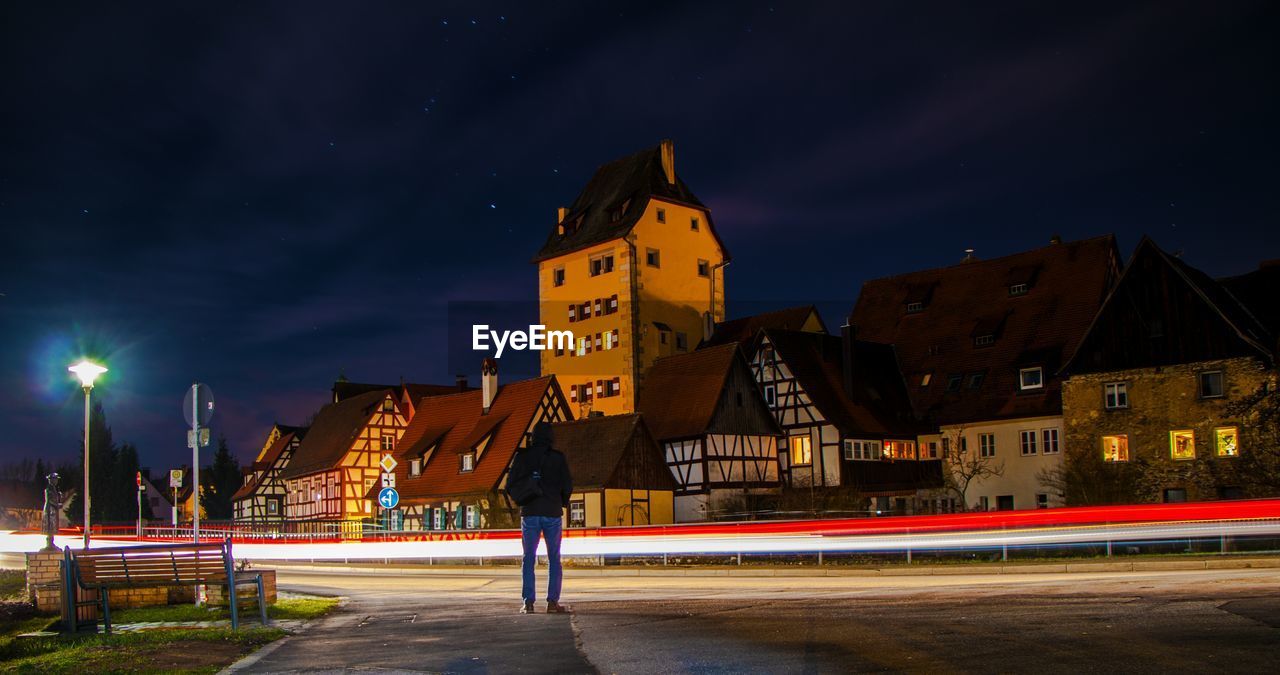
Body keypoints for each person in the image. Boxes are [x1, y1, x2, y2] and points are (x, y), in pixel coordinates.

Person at [509, 421, 573, 614]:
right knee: (554, 558)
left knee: (528, 558)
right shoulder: (558, 458)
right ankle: (552, 602)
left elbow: (510, 484)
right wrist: (559, 501)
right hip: (552, 512)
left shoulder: (522, 457)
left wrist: (524, 498)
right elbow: (567, 485)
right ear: (550, 437)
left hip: (530, 512)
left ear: (533, 437)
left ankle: (528, 602)